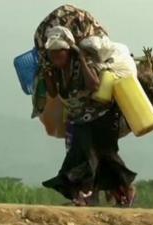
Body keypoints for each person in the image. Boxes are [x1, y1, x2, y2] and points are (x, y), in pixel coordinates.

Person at [32, 5, 137, 207]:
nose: (55, 57)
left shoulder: (83, 61)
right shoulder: (55, 68)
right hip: (80, 117)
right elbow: (55, 93)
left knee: (94, 156)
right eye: (51, 53)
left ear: (68, 50)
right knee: (94, 157)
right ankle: (118, 191)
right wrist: (48, 74)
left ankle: (88, 195)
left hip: (103, 115)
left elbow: (95, 85)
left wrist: (81, 58)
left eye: (58, 52)